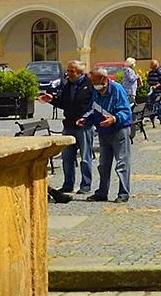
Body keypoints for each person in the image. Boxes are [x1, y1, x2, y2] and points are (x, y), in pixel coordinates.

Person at [84, 67, 134, 203]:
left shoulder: (117, 89)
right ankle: (102, 192)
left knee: (122, 163)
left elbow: (126, 111)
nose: (93, 84)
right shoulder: (96, 91)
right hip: (104, 132)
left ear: (104, 79)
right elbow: (93, 108)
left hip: (119, 131)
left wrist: (114, 119)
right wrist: (85, 119)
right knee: (103, 164)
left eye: (95, 81)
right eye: (92, 81)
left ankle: (123, 194)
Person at [46, 68, 96, 201]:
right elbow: (63, 103)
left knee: (85, 158)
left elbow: (94, 105)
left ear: (79, 72)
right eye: (68, 71)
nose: (68, 73)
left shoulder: (89, 84)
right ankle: (68, 184)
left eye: (71, 71)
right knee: (67, 157)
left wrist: (86, 118)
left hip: (84, 126)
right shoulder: (68, 85)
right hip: (68, 126)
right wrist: (52, 100)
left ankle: (85, 185)